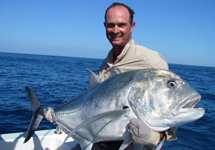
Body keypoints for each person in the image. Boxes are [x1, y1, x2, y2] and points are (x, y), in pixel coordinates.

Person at [72, 2, 177, 150]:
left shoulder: (151, 61)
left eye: (121, 25)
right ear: (105, 26)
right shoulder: (105, 64)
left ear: (132, 26)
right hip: (104, 137)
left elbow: (169, 120)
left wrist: (152, 137)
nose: (115, 30)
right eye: (111, 25)